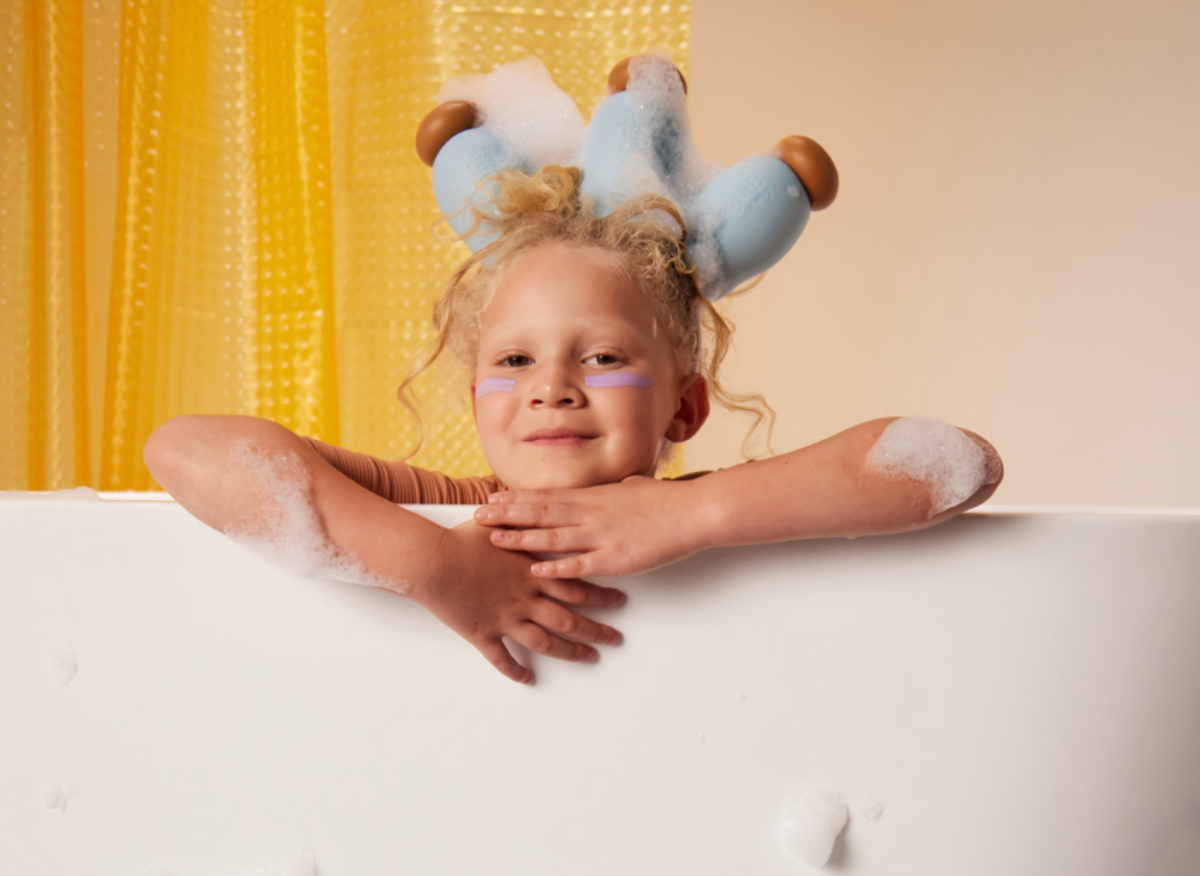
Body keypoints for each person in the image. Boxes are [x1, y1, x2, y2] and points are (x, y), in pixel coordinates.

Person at [144, 166, 1002, 685]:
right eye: (513, 362)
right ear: (474, 394)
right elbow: (184, 449)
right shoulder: (457, 514)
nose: (551, 388)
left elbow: (956, 463)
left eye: (598, 358)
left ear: (685, 407)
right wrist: (438, 565)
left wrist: (691, 513)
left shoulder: (706, 512)